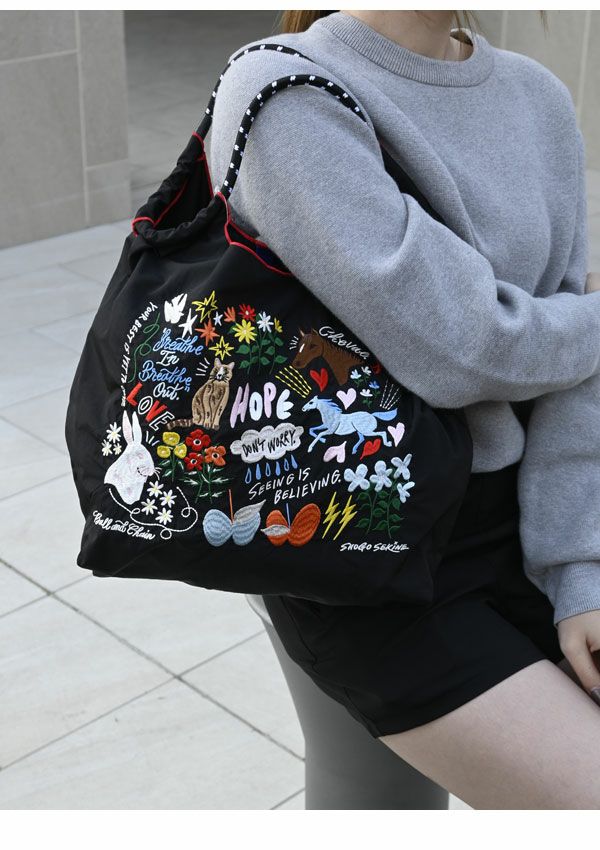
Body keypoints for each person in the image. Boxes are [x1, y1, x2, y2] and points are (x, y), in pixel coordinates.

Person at [208, 10, 600, 808]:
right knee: (379, 799)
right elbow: (463, 348)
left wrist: (579, 570)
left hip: (532, 515)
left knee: (374, 800)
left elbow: (574, 369)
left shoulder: (536, 96)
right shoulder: (284, 86)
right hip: (366, 541)